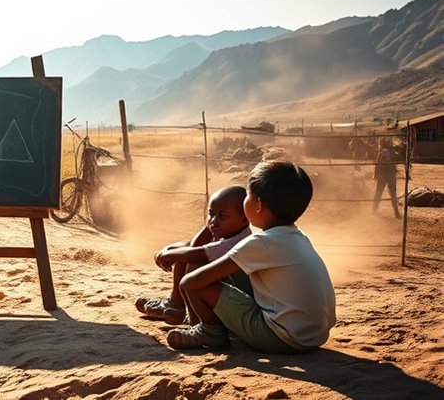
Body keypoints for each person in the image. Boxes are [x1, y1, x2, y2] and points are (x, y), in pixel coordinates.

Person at [167, 160, 336, 352]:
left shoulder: (260, 243)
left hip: (280, 337)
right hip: (314, 335)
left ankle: (210, 332)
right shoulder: (298, 237)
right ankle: (215, 323)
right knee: (226, 271)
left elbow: (193, 282)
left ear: (258, 205)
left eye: (247, 195)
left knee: (193, 281)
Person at [135, 186, 251, 325]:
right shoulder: (231, 233)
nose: (213, 220)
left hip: (239, 302)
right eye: (211, 213)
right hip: (229, 296)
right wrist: (208, 227)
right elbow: (194, 247)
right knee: (182, 252)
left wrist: (169, 254)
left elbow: (195, 253)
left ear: (245, 220)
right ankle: (177, 304)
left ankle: (193, 318)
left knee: (192, 260)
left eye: (222, 216)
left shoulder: (237, 242)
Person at [372, 138, 400, 218]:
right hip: (390, 174)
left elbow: (378, 163)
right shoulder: (392, 151)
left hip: (383, 174)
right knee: (393, 193)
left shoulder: (383, 151)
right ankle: (396, 212)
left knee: (378, 192)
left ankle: (374, 210)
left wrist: (376, 174)